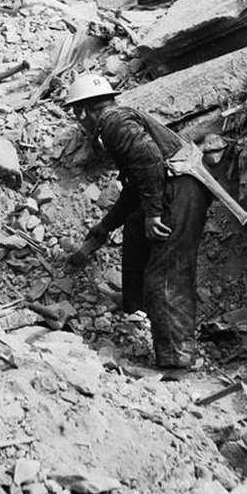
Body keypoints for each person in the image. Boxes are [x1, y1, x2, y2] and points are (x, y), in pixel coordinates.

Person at [63, 73, 212, 379]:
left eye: (78, 116)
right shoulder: (117, 120)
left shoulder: (112, 123)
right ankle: (136, 305)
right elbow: (136, 186)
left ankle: (176, 359)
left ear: (83, 112)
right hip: (173, 184)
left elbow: (149, 161)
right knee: (134, 227)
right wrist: (105, 227)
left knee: (167, 270)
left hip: (180, 190)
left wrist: (154, 214)